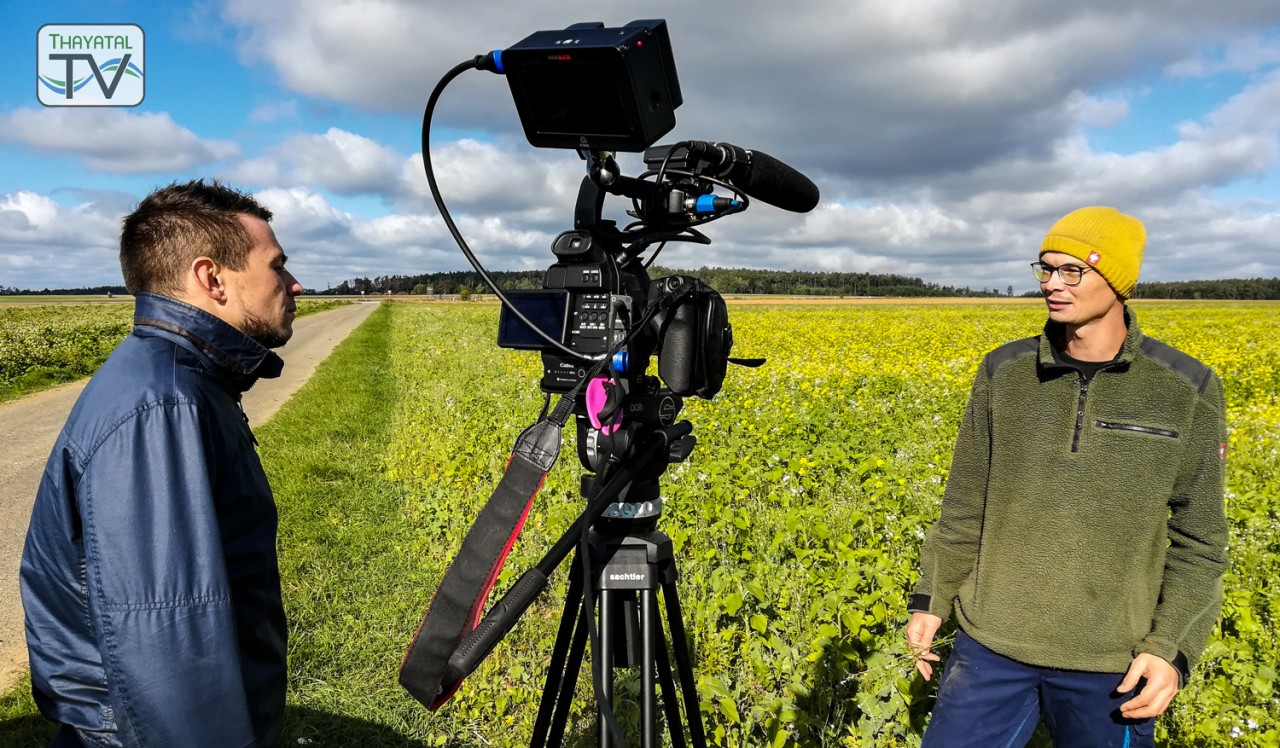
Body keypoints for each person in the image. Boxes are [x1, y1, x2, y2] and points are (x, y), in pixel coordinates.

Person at [904, 206, 1228, 747]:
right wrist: (931, 600)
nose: (1052, 284)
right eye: (1046, 268)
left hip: (1113, 660)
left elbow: (1202, 541)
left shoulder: (1185, 387)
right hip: (991, 646)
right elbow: (964, 507)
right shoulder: (1004, 372)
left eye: (1072, 270)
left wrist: (1170, 647)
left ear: (1119, 281)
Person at [20, 180, 304, 747]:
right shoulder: (164, 406)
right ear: (211, 278)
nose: (294, 283)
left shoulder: (181, 379)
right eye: (277, 265)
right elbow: (167, 640)